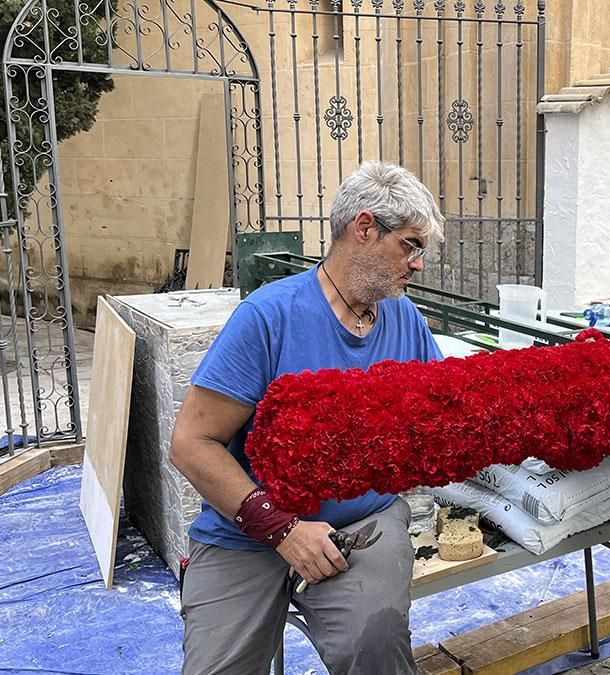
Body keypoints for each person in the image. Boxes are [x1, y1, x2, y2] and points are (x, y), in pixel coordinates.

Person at [170, 161, 444, 674]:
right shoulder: (269, 316)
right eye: (410, 245)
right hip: (248, 530)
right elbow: (190, 443)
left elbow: (444, 414)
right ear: (364, 228)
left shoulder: (405, 320)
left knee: (374, 645)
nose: (419, 264)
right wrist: (281, 528)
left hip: (363, 523)